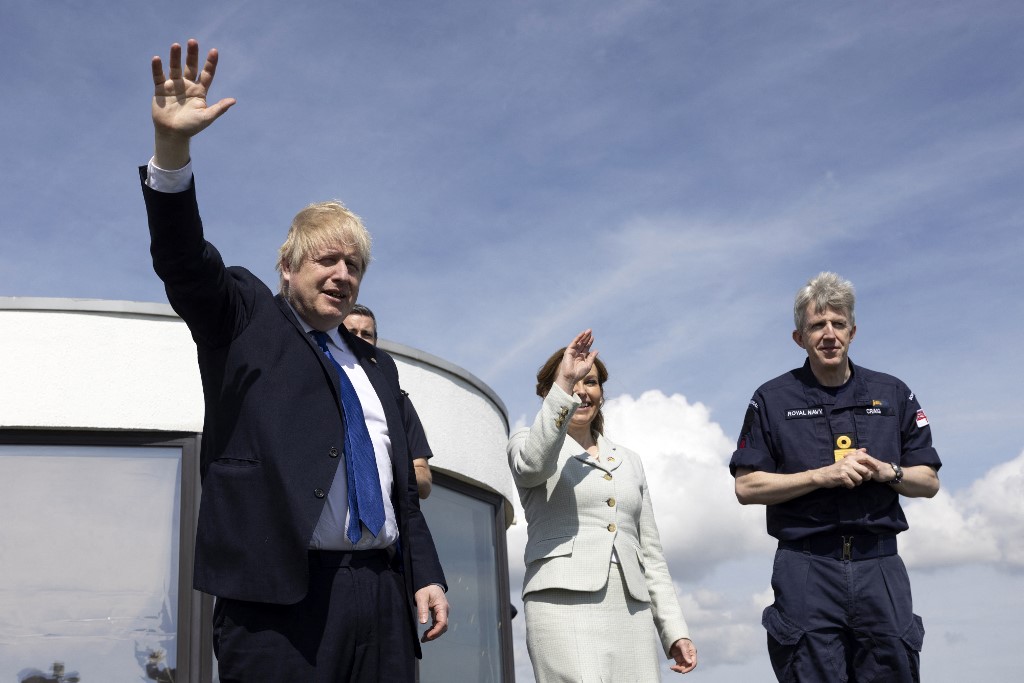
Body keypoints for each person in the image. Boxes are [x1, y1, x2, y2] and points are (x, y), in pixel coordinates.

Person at [141, 40, 448, 681]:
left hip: (383, 601)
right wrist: (172, 155)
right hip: (280, 604)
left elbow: (402, 493)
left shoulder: (377, 367)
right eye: (326, 260)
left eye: (354, 265)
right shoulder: (247, 319)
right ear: (288, 268)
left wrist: (424, 575)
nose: (342, 275)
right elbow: (184, 261)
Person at [730, 272, 941, 682]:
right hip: (806, 566)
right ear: (799, 338)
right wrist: (820, 476)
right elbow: (746, 486)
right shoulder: (771, 399)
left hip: (879, 562)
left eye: (838, 324)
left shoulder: (894, 393)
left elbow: (928, 481)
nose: (828, 334)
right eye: (816, 325)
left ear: (853, 331)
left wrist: (887, 471)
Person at [508, 329, 697, 681]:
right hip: (561, 603)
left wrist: (674, 630)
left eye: (590, 382)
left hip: (630, 608)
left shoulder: (630, 460)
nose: (582, 391)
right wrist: (565, 379)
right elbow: (534, 467)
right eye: (572, 381)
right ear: (549, 393)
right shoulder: (525, 442)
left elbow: (650, 553)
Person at [344, 304, 435, 498]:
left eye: (366, 334)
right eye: (351, 332)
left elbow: (424, 481)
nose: (359, 339)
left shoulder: (398, 401)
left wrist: (383, 466)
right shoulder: (318, 386)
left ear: (375, 342)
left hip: (387, 522)